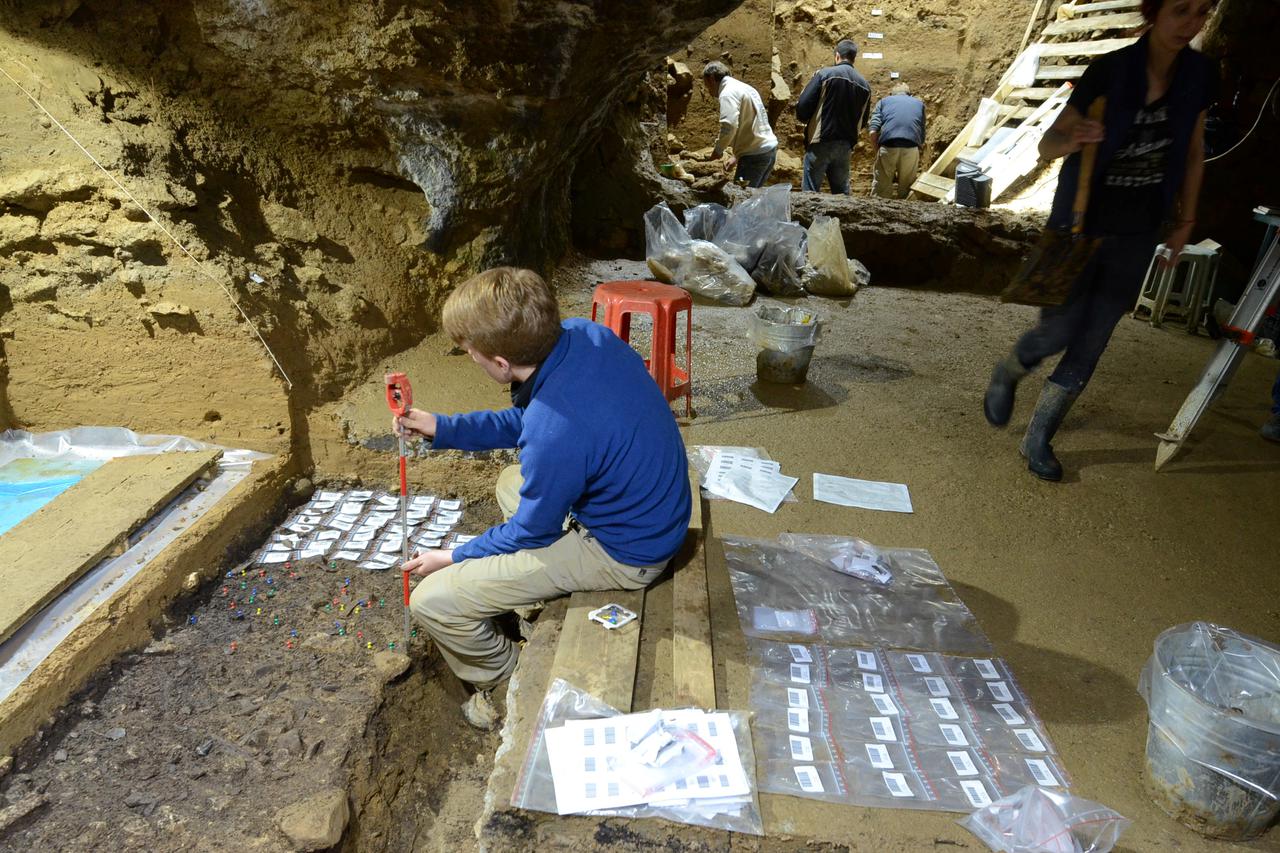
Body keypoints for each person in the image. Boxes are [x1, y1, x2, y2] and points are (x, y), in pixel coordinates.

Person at [394, 268, 692, 728]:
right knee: (511, 481)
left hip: (628, 552)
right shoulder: (584, 335)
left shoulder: (557, 432)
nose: (469, 358)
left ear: (498, 362)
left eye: (470, 352)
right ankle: (531, 605)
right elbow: (534, 422)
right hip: (655, 510)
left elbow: (533, 530)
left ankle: (509, 679)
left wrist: (451, 556)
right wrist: (444, 427)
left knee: (433, 600)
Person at [982, 0, 1216, 481]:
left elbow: (1194, 154)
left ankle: (1038, 436)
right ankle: (1010, 369)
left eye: (1202, 13)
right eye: (1181, 11)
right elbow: (1048, 144)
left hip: (1139, 228)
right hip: (1079, 221)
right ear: (1153, 12)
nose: (1191, 24)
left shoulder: (1199, 75)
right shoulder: (1109, 71)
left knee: (1094, 339)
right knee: (1061, 330)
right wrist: (1071, 141)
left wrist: (1185, 222)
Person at [795, 39, 872, 194]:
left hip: (820, 142)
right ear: (853, 58)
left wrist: (805, 120)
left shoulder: (825, 75)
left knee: (810, 193)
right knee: (841, 194)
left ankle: (810, 218)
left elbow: (803, 107)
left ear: (837, 56)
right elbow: (863, 121)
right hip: (845, 145)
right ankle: (841, 219)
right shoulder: (864, 85)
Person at [701, 61, 778, 187]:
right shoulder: (744, 87)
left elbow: (729, 126)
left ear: (711, 78)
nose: (708, 90)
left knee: (742, 203)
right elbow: (753, 124)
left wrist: (717, 151)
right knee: (752, 200)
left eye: (706, 84)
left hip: (754, 157)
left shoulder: (727, 92)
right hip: (768, 151)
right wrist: (736, 156)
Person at [869, 82, 926, 199]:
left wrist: (877, 152)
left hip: (889, 145)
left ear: (891, 94)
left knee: (881, 190)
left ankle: (878, 214)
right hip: (911, 147)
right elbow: (922, 132)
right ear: (910, 95)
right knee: (907, 189)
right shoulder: (919, 104)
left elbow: (873, 132)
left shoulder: (884, 102)